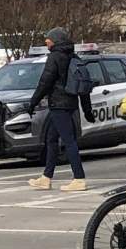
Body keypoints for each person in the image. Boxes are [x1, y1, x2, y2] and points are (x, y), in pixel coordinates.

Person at [26, 28, 93, 191]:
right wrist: (87, 110)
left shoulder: (54, 57)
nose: (46, 41)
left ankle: (79, 178)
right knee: (51, 139)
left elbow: (45, 82)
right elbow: (83, 84)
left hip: (58, 104)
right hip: (70, 103)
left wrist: (33, 102)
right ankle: (46, 177)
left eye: (48, 39)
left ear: (55, 40)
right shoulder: (73, 57)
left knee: (69, 141)